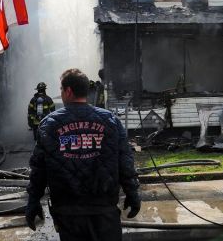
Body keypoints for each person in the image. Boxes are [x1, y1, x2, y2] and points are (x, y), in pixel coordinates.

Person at [25, 68, 141, 240]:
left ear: (68, 91)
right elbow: (125, 162)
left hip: (67, 214)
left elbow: (39, 169)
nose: (61, 94)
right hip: (105, 212)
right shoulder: (111, 120)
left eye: (61, 90)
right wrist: (132, 193)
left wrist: (33, 201)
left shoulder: (49, 124)